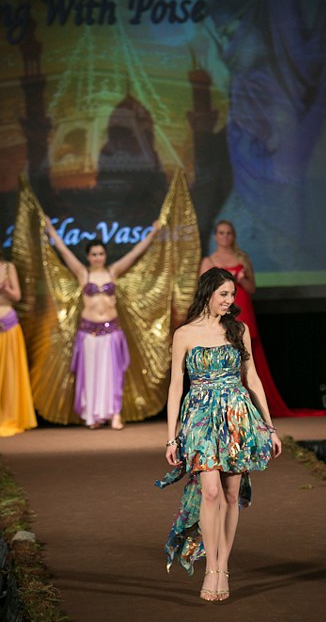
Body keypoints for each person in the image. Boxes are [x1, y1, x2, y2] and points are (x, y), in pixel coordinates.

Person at [156, 267, 281, 602]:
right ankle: (211, 567)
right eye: (223, 294)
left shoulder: (238, 329)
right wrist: (171, 437)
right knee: (210, 491)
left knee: (229, 495)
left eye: (232, 295)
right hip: (199, 419)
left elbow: (252, 379)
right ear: (207, 292)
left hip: (236, 418)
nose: (229, 300)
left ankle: (223, 567)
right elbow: (176, 386)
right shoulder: (184, 334)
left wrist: (270, 428)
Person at [200, 220, 325, 418]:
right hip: (221, 311)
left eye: (229, 233)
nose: (225, 237)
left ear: (233, 236)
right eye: (221, 233)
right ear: (216, 236)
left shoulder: (242, 257)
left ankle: (252, 403)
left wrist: (241, 279)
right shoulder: (209, 261)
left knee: (247, 352)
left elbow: (252, 288)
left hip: (243, 308)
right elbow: (204, 292)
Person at [44, 219, 159, 429]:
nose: (98, 257)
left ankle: (115, 414)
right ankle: (93, 416)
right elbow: (63, 250)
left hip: (111, 331)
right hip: (88, 332)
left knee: (112, 374)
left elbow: (135, 253)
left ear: (105, 255)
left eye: (101, 254)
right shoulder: (83, 273)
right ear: (88, 257)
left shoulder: (112, 272)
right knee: (91, 374)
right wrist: (49, 229)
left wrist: (153, 233)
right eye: (94, 254)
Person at [0, 249, 37, 437]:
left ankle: (11, 416)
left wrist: (4, 288)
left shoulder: (8, 267)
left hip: (8, 325)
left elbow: (17, 296)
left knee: (10, 373)